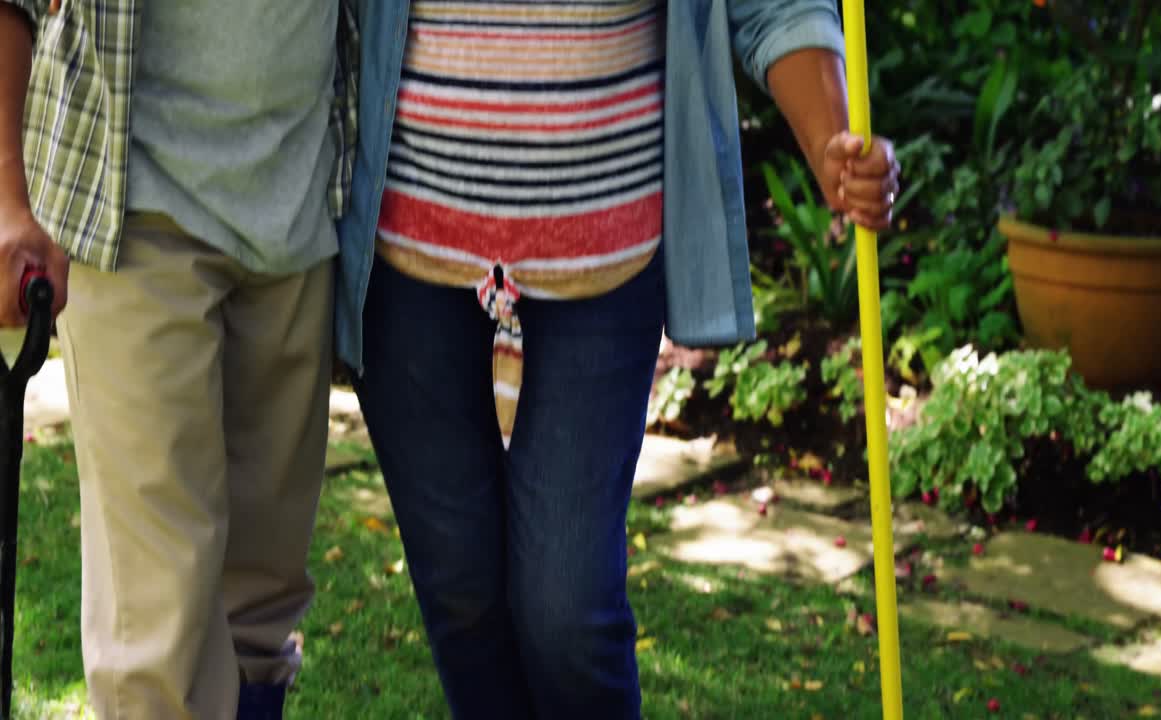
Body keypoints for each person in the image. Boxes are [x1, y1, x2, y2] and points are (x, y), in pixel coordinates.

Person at [337, 1, 898, 717]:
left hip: (604, 261)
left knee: (566, 615)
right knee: (460, 593)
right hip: (408, 257)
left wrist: (831, 142)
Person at [0, 1, 357, 717]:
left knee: (260, 606)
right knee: (159, 639)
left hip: (297, 203)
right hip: (131, 209)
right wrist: (7, 197)